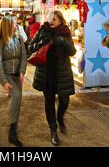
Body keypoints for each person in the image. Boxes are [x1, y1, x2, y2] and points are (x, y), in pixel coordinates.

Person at [29, 10, 76, 146]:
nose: (51, 21)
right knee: (49, 101)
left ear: (60, 20)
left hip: (62, 73)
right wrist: (40, 44)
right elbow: (30, 47)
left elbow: (72, 51)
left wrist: (62, 41)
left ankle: (60, 118)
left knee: (64, 101)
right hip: (46, 73)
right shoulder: (42, 31)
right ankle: (53, 130)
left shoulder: (65, 32)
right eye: (50, 18)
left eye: (54, 19)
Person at [0, 17, 27, 147]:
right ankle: (12, 132)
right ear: (7, 26)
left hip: (17, 75)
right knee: (16, 96)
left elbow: (24, 55)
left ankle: (14, 127)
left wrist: (22, 71)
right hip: (7, 75)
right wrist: (3, 81)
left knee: (18, 100)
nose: (16, 26)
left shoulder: (18, 38)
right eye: (14, 24)